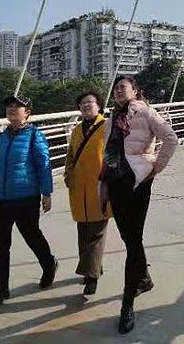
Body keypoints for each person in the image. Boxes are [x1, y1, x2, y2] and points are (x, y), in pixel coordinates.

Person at [99, 76, 178, 334]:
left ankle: (127, 303)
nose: (119, 91)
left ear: (135, 91)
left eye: (123, 87)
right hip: (116, 182)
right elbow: (108, 154)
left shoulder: (145, 112)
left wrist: (155, 167)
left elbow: (171, 138)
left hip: (137, 182)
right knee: (129, 238)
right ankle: (143, 278)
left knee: (133, 241)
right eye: (116, 88)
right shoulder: (111, 119)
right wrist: (103, 185)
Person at [0, 94, 58, 311]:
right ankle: (1, 289)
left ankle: (49, 264)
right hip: (0, 199)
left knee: (32, 237)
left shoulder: (35, 136)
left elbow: (44, 165)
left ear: (27, 113)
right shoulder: (0, 138)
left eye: (17, 106)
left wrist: (47, 193)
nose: (12, 109)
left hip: (26, 198)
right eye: (9, 106)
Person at [64, 90, 110, 296]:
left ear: (99, 105)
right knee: (83, 233)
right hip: (79, 188)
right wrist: (68, 175)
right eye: (82, 103)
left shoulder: (108, 126)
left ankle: (91, 277)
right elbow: (70, 155)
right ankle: (94, 267)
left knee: (96, 233)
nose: (86, 105)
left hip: (100, 186)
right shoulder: (76, 130)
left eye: (90, 102)